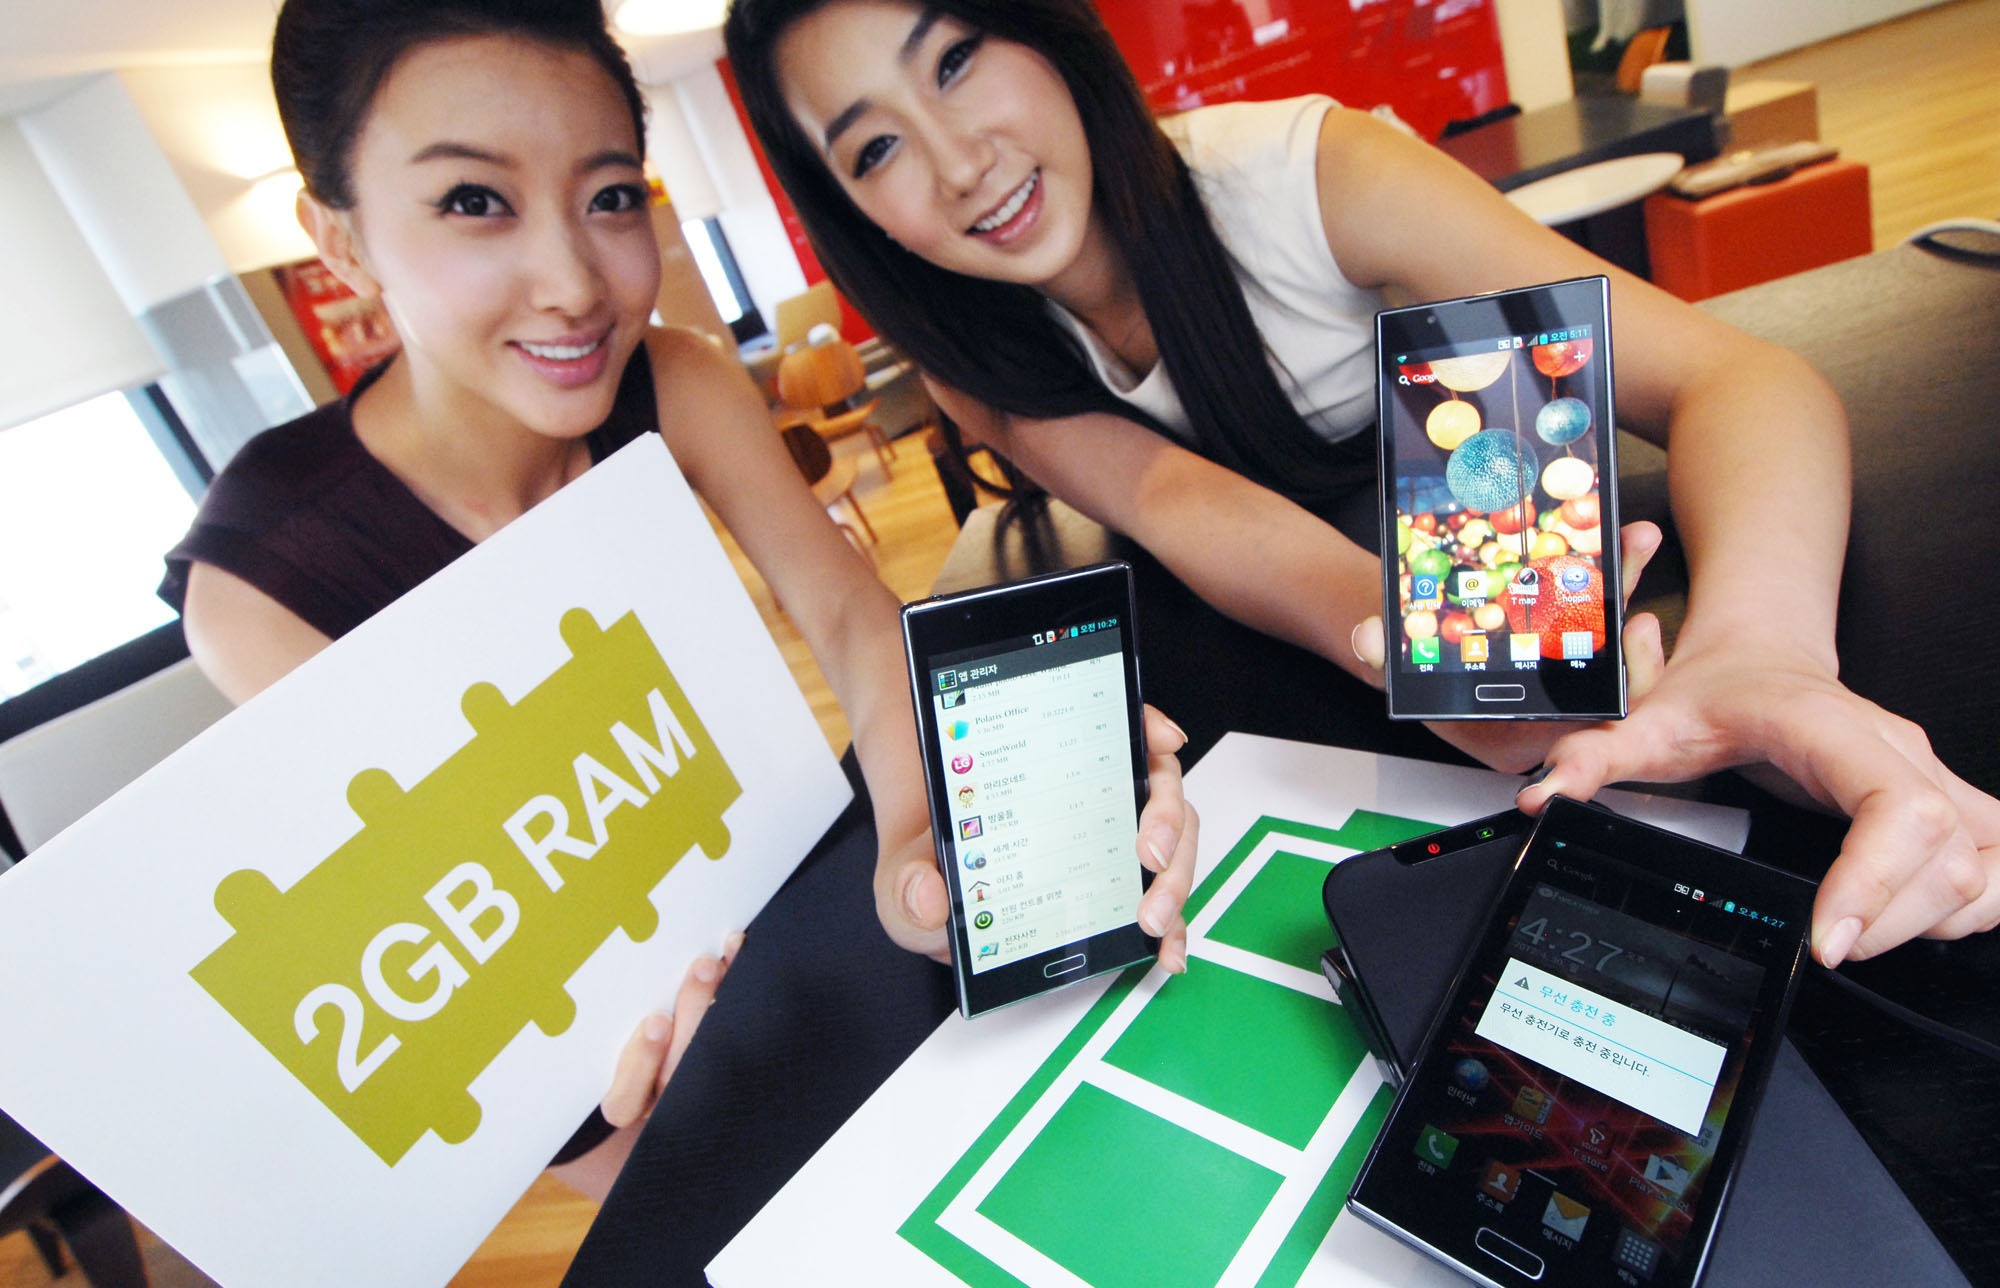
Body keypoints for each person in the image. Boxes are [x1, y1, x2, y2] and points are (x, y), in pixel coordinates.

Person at [159, 0, 1199, 1199]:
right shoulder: (263, 579)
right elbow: (463, 960)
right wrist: (632, 1132)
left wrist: (920, 833)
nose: (572, 284)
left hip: (797, 906)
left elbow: (846, 613)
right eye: (473, 200)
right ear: (337, 238)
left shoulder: (672, 379)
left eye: (609, 197)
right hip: (614, 1070)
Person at [722, 0, 2000, 969]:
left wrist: (1761, 651)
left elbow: (1737, 382)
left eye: (953, 61)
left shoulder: (1309, 177)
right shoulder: (978, 358)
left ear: (1044, 31)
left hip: (1588, 584)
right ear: (850, 213)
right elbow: (1180, 507)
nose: (955, 163)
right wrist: (1431, 665)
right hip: (1360, 694)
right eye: (874, 147)